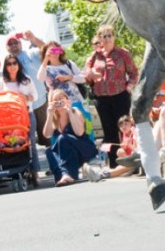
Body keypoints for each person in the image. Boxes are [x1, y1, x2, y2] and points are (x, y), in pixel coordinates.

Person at [84, 26, 138, 167]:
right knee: (108, 130)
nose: (107, 39)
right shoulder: (94, 57)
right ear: (99, 39)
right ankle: (114, 163)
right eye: (104, 36)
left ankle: (129, 158)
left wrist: (129, 87)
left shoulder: (123, 54)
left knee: (125, 127)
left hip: (120, 95)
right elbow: (86, 77)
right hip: (101, 97)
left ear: (114, 37)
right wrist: (90, 76)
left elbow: (133, 73)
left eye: (109, 35)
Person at [0, 54, 41, 185]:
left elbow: (35, 96)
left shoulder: (26, 80)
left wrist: (23, 97)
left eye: (14, 63)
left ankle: (35, 172)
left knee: (30, 143)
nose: (12, 66)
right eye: (9, 64)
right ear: (5, 66)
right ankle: (16, 171)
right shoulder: (1, 82)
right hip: (9, 118)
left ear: (18, 65)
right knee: (12, 143)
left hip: (27, 114)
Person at [42, 90, 96, 187]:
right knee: (49, 151)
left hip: (83, 149)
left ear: (67, 100)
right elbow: (47, 135)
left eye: (61, 99)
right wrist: (49, 114)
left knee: (63, 138)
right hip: (69, 154)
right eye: (56, 100)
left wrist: (69, 112)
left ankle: (67, 174)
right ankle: (63, 175)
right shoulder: (53, 116)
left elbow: (79, 133)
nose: (59, 102)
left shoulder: (75, 111)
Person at [5, 30, 49, 145]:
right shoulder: (7, 63)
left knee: (46, 137)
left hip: (40, 103)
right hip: (19, 110)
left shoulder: (32, 53)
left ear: (21, 43)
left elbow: (50, 50)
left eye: (16, 42)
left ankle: (52, 161)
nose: (14, 45)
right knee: (22, 142)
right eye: (10, 44)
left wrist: (33, 39)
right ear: (6, 47)